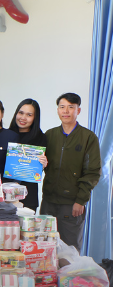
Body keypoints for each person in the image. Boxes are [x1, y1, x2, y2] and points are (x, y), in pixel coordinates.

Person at [41, 93, 101, 251]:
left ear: (78, 110)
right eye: (62, 107)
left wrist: (81, 200)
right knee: (44, 248)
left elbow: (93, 172)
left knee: (70, 251)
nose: (66, 111)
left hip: (72, 204)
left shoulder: (88, 137)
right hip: (48, 201)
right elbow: (42, 166)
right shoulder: (49, 135)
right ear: (58, 110)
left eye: (71, 107)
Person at [8, 99, 48, 211]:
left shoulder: (40, 138)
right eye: (21, 113)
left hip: (28, 195)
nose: (23, 118)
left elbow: (38, 170)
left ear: (35, 118)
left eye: (29, 115)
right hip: (5, 194)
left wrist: (43, 164)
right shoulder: (7, 135)